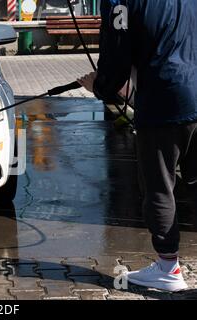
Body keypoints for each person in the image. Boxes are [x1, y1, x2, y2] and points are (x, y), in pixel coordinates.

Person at [78, 0, 197, 292]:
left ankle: (168, 269)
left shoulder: (120, 2)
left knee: (159, 186)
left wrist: (101, 87)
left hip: (162, 103)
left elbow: (116, 56)